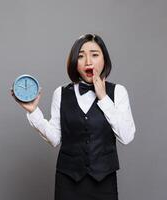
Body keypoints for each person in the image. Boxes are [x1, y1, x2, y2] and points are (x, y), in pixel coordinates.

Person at [11, 33, 136, 200]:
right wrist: (33, 111)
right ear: (74, 63)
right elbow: (55, 139)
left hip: (104, 182)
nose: (88, 61)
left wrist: (104, 98)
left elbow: (127, 137)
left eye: (95, 54)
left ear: (104, 59)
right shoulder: (61, 93)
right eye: (81, 56)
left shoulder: (118, 92)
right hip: (68, 182)